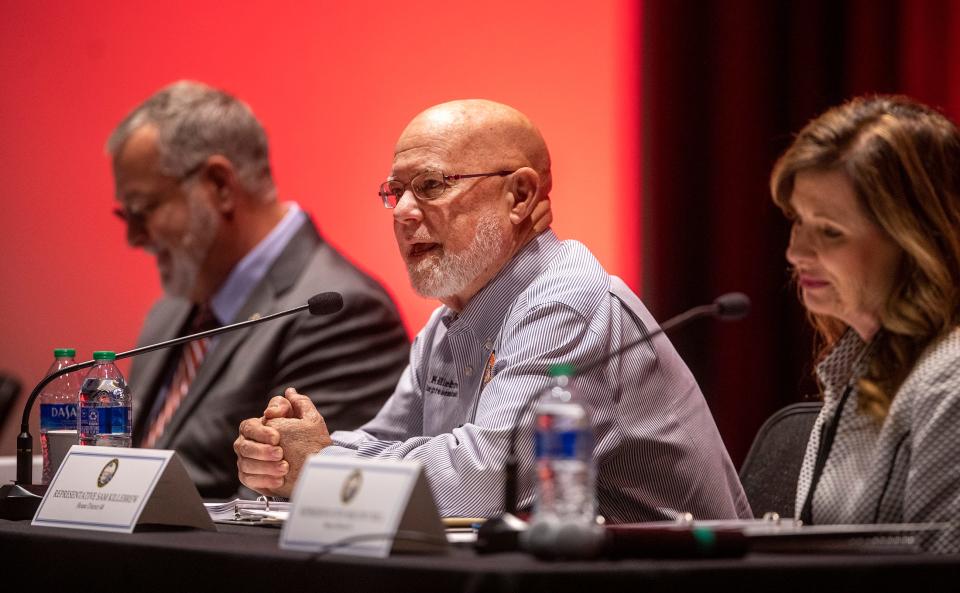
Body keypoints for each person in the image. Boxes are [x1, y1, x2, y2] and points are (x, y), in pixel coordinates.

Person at [234, 99, 751, 521]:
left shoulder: (568, 299)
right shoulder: (448, 323)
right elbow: (386, 440)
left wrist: (322, 465)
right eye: (396, 192)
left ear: (520, 195)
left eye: (432, 186)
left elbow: (484, 479)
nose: (405, 213)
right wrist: (287, 450)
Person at [108, 81, 409, 498]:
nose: (134, 237)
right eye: (126, 216)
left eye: (143, 210)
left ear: (219, 186)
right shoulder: (170, 312)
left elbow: (285, 500)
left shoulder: (337, 313)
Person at [770, 95, 960, 553]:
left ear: (915, 240)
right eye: (799, 221)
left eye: (831, 231)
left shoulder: (949, 381)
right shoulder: (861, 363)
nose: (797, 253)